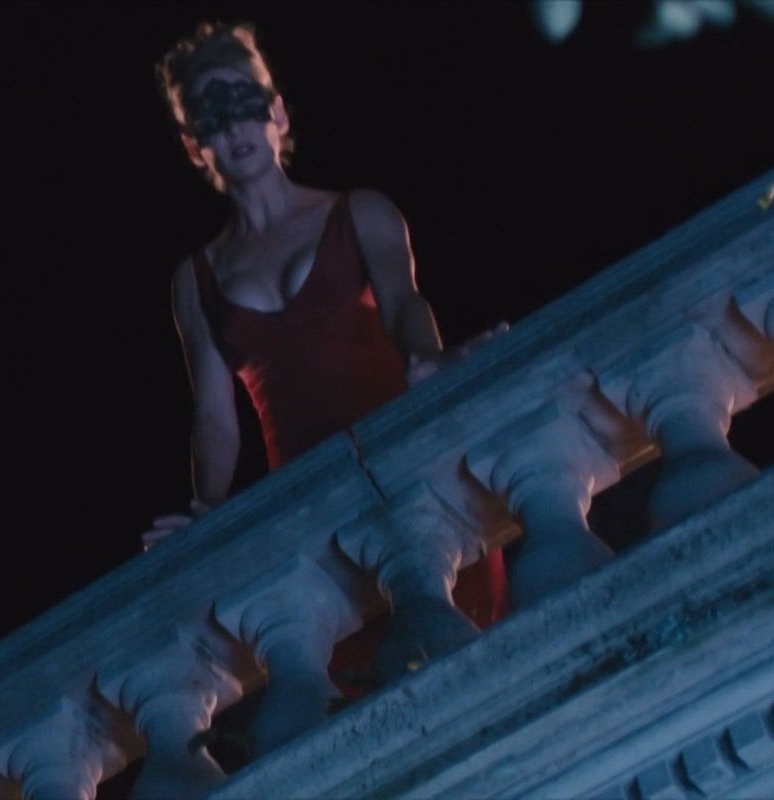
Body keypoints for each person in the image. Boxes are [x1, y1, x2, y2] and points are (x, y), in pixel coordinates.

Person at [139, 21, 508, 697]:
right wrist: (208, 510)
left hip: (407, 473)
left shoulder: (360, 212)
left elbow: (404, 304)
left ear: (277, 114)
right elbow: (215, 417)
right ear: (195, 146)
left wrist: (428, 361)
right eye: (211, 118)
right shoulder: (195, 280)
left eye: (243, 103)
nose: (234, 128)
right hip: (314, 513)